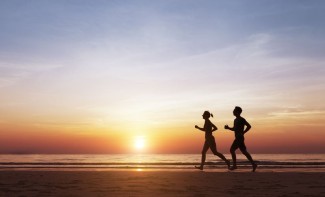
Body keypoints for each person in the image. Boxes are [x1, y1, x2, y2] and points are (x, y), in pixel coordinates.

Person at [225, 106, 257, 172]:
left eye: (234, 110)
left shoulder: (242, 119)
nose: (233, 112)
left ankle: (234, 165)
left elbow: (249, 126)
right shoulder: (235, 120)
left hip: (239, 138)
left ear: (238, 112)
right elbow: (234, 129)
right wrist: (228, 128)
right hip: (238, 137)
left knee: (232, 150)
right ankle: (253, 164)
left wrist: (243, 132)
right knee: (244, 152)